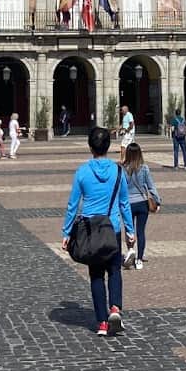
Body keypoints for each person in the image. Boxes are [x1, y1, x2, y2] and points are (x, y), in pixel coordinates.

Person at [62, 126, 135, 337]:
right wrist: (130, 230)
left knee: (95, 276)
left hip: (90, 230)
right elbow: (124, 204)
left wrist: (67, 232)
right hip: (112, 229)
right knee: (114, 271)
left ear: (90, 146)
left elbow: (72, 205)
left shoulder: (82, 172)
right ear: (108, 146)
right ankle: (115, 309)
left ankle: (102, 323)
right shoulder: (118, 171)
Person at [122, 142, 161, 270]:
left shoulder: (123, 168)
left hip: (128, 203)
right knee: (141, 232)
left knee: (129, 230)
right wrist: (157, 200)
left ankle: (130, 250)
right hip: (142, 203)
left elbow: (120, 188)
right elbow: (151, 186)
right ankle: (139, 259)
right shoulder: (144, 168)